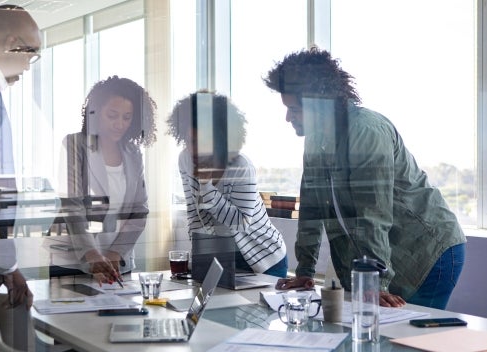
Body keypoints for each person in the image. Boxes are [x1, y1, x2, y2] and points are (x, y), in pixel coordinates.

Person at [264, 47, 466, 309]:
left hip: (428, 253)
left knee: (405, 340)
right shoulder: (316, 140)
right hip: (387, 255)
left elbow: (372, 215)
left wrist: (375, 284)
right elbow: (312, 209)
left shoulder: (366, 132)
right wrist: (305, 272)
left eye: (294, 109)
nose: (288, 117)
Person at [166, 92, 288, 277]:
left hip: (264, 260)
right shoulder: (185, 159)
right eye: (191, 141)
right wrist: (199, 259)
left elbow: (241, 222)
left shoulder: (241, 165)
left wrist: (206, 186)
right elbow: (194, 215)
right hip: (223, 258)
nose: (196, 150)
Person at [57, 76, 157, 285]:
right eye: (112, 115)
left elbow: (139, 211)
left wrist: (115, 253)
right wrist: (92, 255)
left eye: (127, 117)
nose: (119, 124)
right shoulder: (75, 144)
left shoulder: (132, 152)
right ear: (95, 112)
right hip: (80, 264)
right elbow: (72, 206)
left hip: (118, 266)